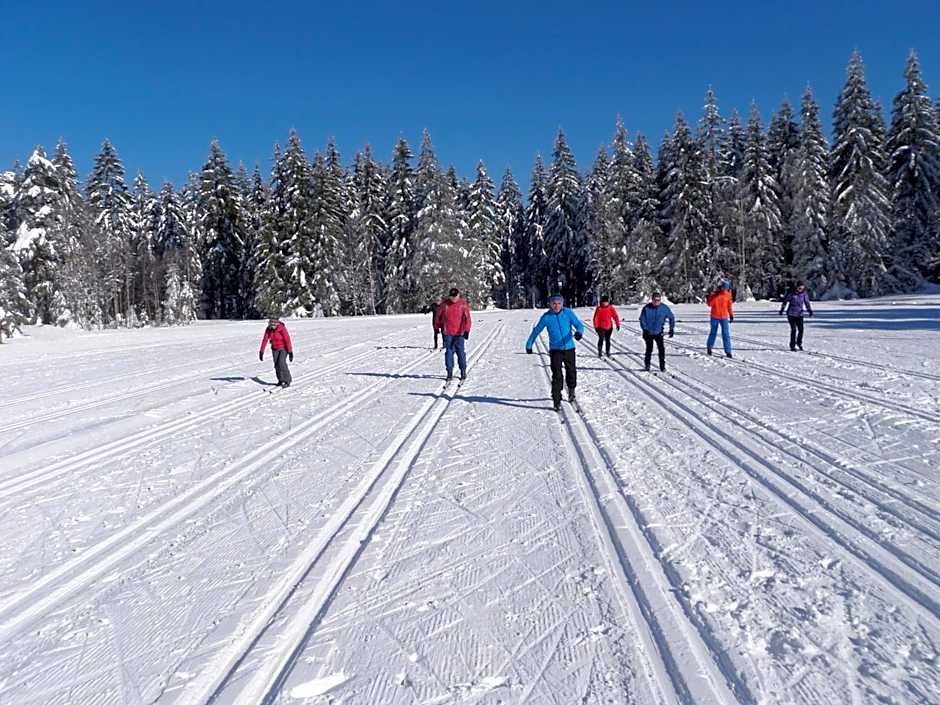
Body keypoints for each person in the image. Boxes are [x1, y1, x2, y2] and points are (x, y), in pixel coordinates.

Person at [525, 294, 585, 411]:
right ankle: (556, 399)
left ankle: (571, 390)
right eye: (554, 303)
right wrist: (529, 344)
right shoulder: (546, 317)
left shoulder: (568, 313)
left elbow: (579, 325)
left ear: (562, 304)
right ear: (550, 304)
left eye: (559, 303)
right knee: (557, 375)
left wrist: (579, 332)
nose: (556, 306)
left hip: (569, 348)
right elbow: (536, 331)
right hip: (555, 350)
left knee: (571, 371)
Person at [438, 287, 472, 381]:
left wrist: (467, 330)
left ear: (458, 295)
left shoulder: (463, 304)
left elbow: (467, 319)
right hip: (448, 333)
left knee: (460, 352)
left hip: (460, 333)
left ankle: (463, 371)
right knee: (449, 352)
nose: (453, 299)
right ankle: (449, 372)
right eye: (451, 296)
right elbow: (438, 316)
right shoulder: (444, 304)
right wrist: (437, 327)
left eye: (455, 296)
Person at [639, 292, 675, 372]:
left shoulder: (664, 308)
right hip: (648, 332)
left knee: (661, 349)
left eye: (658, 300)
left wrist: (671, 329)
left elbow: (671, 317)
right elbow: (642, 319)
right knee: (649, 349)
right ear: (652, 300)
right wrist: (644, 329)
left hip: (658, 332)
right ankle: (647, 365)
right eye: (655, 300)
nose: (656, 302)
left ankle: (662, 366)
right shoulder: (646, 308)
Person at [259, 317, 294, 387]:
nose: (273, 326)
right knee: (276, 365)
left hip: (283, 348)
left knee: (281, 363)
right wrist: (261, 351)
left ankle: (287, 380)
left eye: (274, 324)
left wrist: (290, 352)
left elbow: (287, 339)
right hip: (274, 348)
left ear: (277, 323)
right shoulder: (268, 329)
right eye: (271, 324)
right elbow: (265, 340)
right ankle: (280, 380)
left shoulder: (281, 328)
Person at [779, 281, 814, 351]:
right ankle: (792, 345)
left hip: (799, 314)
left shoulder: (804, 294)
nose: (800, 289)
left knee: (801, 329)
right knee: (794, 330)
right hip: (791, 314)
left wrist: (809, 310)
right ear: (796, 287)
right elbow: (785, 301)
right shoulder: (791, 293)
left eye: (802, 288)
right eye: (799, 288)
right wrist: (782, 309)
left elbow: (807, 302)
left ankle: (799, 343)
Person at [705, 279, 734, 358]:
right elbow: (710, 304)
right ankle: (709, 347)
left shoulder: (728, 295)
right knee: (713, 333)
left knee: (726, 334)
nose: (724, 289)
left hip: (724, 317)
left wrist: (731, 315)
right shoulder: (714, 294)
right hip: (714, 316)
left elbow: (729, 306)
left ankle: (728, 351)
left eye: (726, 288)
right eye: (723, 287)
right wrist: (714, 296)